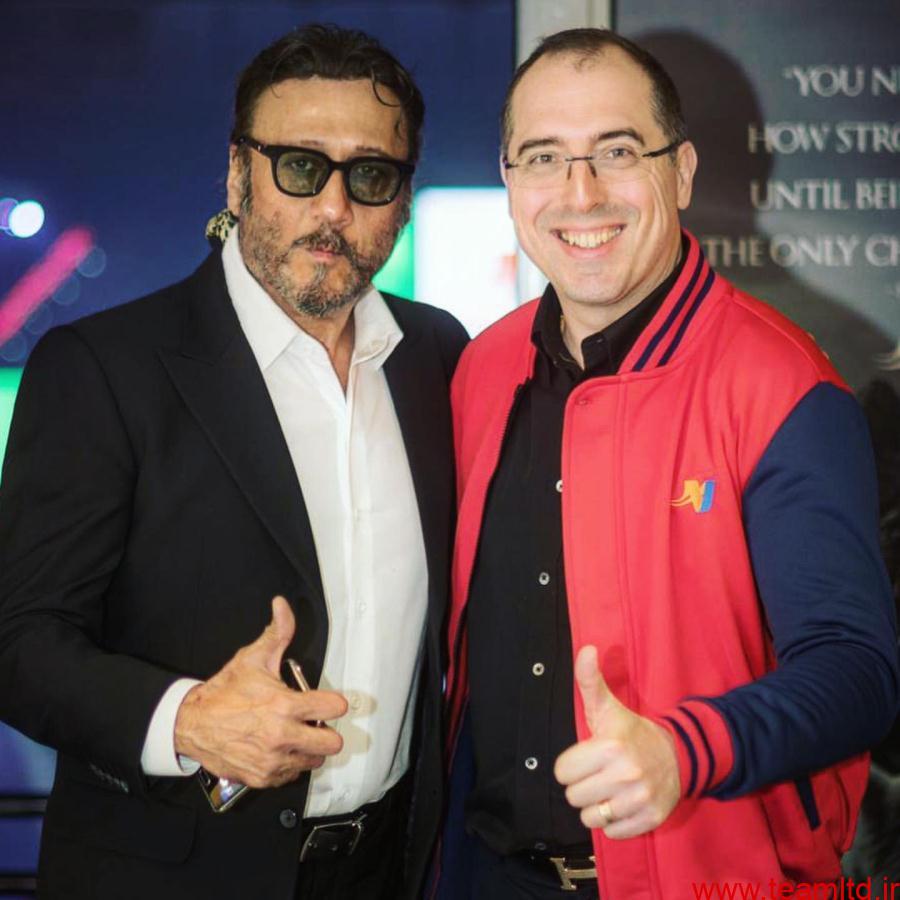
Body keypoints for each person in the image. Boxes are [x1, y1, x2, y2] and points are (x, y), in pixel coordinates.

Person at [0, 23, 467, 900]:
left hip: (391, 872)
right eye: (299, 166)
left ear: (403, 199)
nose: (334, 208)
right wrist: (186, 720)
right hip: (169, 879)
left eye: (370, 175)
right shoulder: (104, 367)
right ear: (237, 173)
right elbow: (18, 642)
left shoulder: (437, 355)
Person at [442, 28, 899, 898]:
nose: (579, 193)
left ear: (681, 172)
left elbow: (857, 672)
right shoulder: (482, 373)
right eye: (544, 157)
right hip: (483, 873)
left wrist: (683, 750)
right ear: (509, 181)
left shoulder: (782, 386)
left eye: (617, 152)